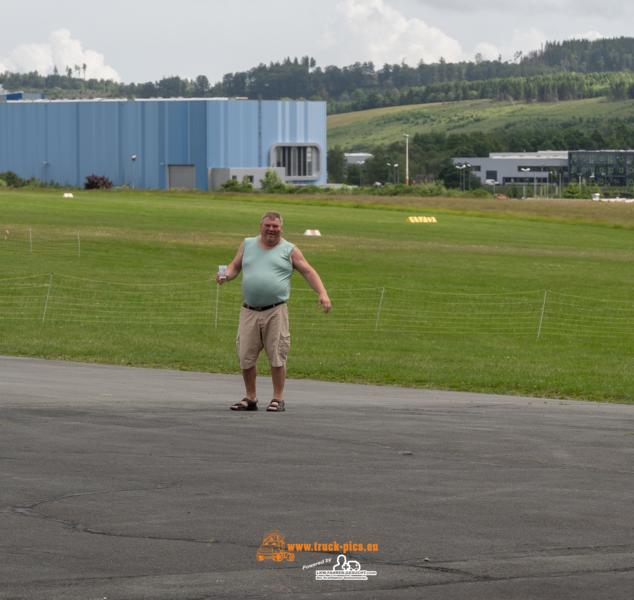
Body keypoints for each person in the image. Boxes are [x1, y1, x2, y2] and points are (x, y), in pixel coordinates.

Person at [216, 211, 331, 412]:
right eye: (268, 225)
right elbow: (235, 266)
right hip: (249, 310)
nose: (271, 229)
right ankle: (250, 398)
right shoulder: (248, 244)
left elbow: (308, 271)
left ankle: (278, 398)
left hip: (275, 310)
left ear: (281, 228)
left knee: (277, 354)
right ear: (261, 226)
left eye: (275, 226)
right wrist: (226, 276)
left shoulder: (289, 250)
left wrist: (322, 293)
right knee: (245, 355)